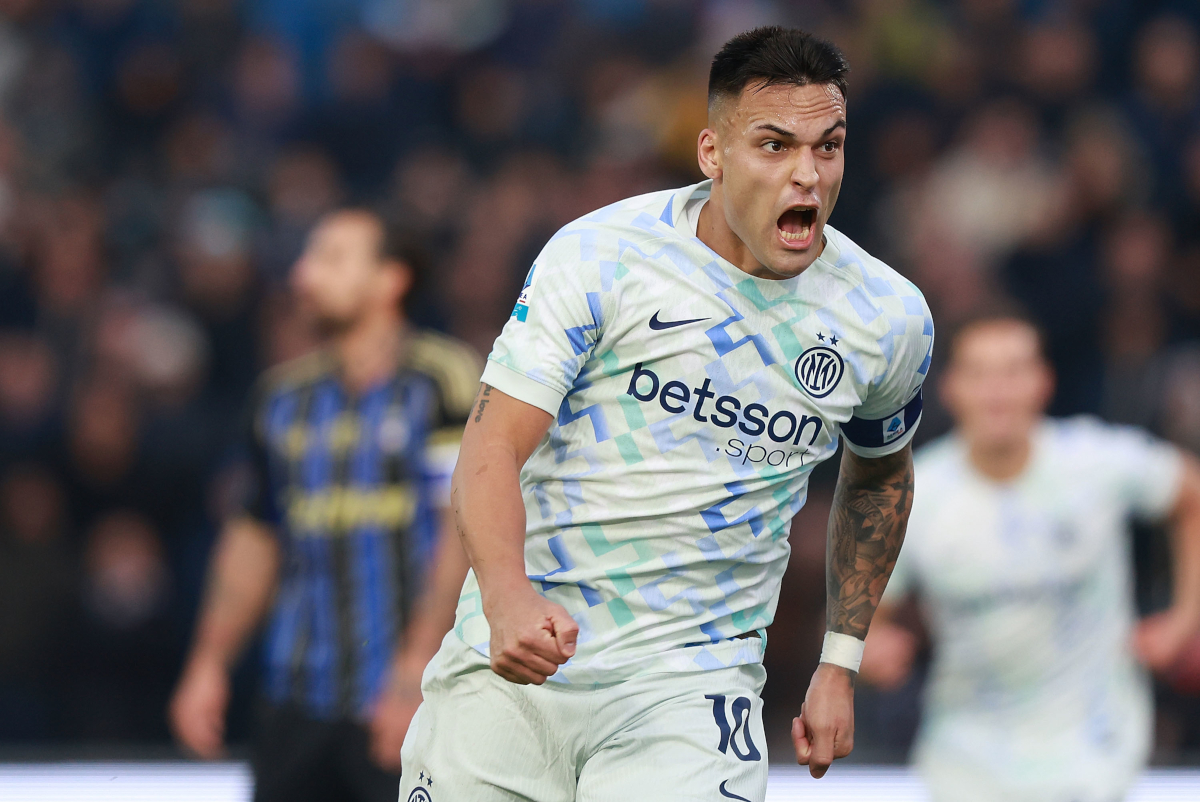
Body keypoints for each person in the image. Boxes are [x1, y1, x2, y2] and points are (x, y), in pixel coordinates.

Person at [399, 26, 934, 802]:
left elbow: (881, 478)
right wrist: (508, 593)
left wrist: (839, 661)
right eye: (775, 146)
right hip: (518, 661)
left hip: (690, 686)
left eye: (829, 147)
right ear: (712, 154)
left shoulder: (885, 318)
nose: (807, 176)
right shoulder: (602, 257)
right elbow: (490, 446)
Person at [169, 209, 480, 802]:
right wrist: (208, 664)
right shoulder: (279, 399)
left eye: (331, 259)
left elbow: (463, 529)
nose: (303, 276)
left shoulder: (444, 381)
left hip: (410, 695)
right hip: (297, 697)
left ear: (391, 279)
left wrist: (418, 666)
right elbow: (254, 538)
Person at [859, 311, 1200, 802]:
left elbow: (1188, 491)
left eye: (1014, 371)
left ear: (1044, 382)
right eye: (980, 374)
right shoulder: (914, 497)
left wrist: (1185, 619)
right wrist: (869, 651)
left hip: (1096, 753)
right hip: (966, 760)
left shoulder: (1096, 461)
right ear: (950, 388)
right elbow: (861, 615)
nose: (998, 392)